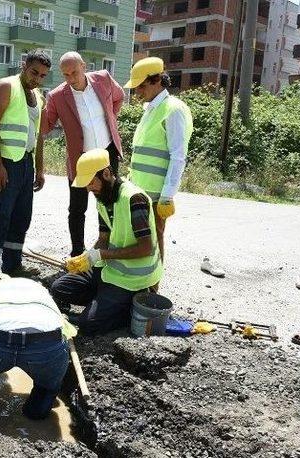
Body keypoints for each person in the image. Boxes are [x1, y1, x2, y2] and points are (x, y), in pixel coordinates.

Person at [50, 148, 163, 334]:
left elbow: (145, 248)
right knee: (59, 287)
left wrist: (102, 254)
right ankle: (107, 301)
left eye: (91, 182)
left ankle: (129, 305)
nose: (88, 189)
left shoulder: (135, 199)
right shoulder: (103, 198)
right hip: (110, 271)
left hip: (133, 279)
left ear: (107, 173)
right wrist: (85, 259)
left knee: (88, 325)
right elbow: (104, 238)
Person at [0, 50, 51, 280]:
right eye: (34, 72)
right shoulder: (5, 86)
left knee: (21, 217)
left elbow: (38, 136)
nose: (37, 79)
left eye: (42, 76)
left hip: (25, 164)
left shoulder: (38, 97)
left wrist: (39, 168)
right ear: (24, 65)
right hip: (4, 164)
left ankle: (13, 266)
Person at [41, 51, 125, 257]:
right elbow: (45, 127)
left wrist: (111, 118)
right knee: (77, 207)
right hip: (80, 160)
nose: (71, 78)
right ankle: (77, 250)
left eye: (74, 72)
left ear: (84, 67)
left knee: (108, 201)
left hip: (107, 152)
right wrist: (35, 104)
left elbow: (119, 97)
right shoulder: (57, 96)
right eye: (66, 74)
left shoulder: (103, 79)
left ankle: (107, 245)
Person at [0, 273, 76, 419]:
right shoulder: (40, 290)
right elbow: (65, 333)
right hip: (44, 344)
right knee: (46, 388)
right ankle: (36, 414)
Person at [123, 57, 193, 262]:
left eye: (141, 87)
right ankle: (142, 283)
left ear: (156, 81)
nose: (137, 93)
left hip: (156, 195)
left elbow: (178, 156)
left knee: (154, 240)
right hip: (140, 191)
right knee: (141, 240)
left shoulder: (173, 109)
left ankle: (152, 289)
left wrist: (167, 196)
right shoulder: (151, 109)